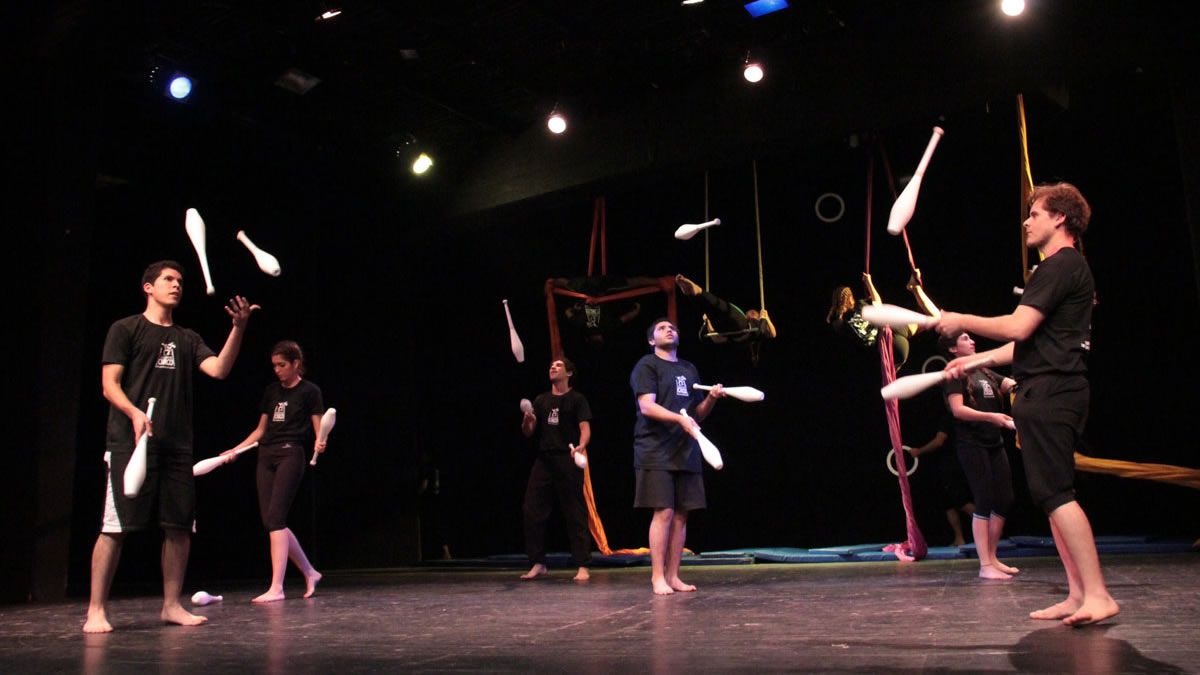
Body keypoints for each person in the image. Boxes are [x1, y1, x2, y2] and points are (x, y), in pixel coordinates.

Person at [933, 182, 1118, 625]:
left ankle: (1097, 594)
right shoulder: (1065, 267)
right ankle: (1078, 595)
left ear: (1060, 217)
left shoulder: (1059, 264)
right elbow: (1026, 344)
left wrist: (960, 319)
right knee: (1050, 497)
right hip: (1046, 390)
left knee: (1057, 495)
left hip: (1053, 392)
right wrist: (974, 360)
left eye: (1034, 214)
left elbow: (1018, 327)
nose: (1026, 221)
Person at [84, 260, 258, 633]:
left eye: (180, 280)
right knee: (115, 527)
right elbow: (109, 385)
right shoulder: (125, 329)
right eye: (168, 279)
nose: (176, 284)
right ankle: (95, 610)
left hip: (177, 446)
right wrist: (133, 413)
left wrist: (238, 328)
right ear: (148, 287)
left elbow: (219, 369)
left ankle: (171, 606)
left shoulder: (187, 338)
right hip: (130, 444)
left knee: (179, 527)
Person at [221, 340, 325, 602]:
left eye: (282, 365)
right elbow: (260, 430)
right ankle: (310, 572)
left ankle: (277, 587)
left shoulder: (310, 391)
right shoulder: (271, 391)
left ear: (295, 364)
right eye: (274, 366)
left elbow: (319, 428)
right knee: (271, 521)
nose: (277, 370)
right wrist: (235, 449)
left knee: (276, 519)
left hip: (291, 453)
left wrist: (321, 441)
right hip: (266, 454)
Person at [630, 318, 726, 594]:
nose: (669, 329)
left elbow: (697, 415)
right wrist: (679, 419)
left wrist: (711, 398)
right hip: (655, 448)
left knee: (682, 515)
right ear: (652, 340)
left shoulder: (688, 369)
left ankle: (673, 576)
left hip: (686, 449)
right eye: (661, 328)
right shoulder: (647, 365)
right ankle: (657, 577)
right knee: (665, 511)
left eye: (672, 327)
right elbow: (647, 407)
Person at [938, 331, 1019, 578]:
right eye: (964, 338)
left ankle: (992, 558)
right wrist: (991, 417)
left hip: (994, 442)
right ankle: (985, 565)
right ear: (953, 349)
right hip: (972, 444)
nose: (972, 341)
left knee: (1005, 499)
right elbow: (958, 410)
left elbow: (1009, 384)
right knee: (984, 499)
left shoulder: (983, 371)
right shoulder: (955, 374)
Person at [519, 358, 594, 581]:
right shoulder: (541, 400)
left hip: (567, 459)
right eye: (551, 365)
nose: (553, 367)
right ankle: (538, 562)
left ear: (569, 373)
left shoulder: (577, 399)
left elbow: (585, 428)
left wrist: (581, 445)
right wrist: (527, 421)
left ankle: (583, 564)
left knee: (575, 512)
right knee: (531, 510)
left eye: (559, 365)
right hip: (544, 460)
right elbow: (528, 431)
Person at [906, 413, 976, 547]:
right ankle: (959, 538)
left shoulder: (950, 417)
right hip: (944, 466)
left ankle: (992, 529)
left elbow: (939, 441)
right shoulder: (946, 418)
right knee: (947, 504)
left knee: (961, 501)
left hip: (952, 466)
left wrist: (919, 451)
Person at [826, 273, 918, 367]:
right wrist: (868, 281)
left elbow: (877, 305)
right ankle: (914, 288)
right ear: (848, 298)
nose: (852, 298)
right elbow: (878, 304)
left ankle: (914, 288)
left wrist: (868, 282)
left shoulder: (846, 317)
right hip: (886, 341)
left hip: (885, 342)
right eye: (850, 296)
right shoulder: (854, 311)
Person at [673, 275, 776, 343]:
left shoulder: (756, 327)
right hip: (735, 320)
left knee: (709, 310)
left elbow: (773, 334)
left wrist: (766, 318)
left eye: (755, 313)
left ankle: (692, 294)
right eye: (750, 312)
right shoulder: (743, 319)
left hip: (727, 328)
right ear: (745, 315)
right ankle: (696, 292)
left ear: (758, 317)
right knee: (720, 307)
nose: (753, 312)